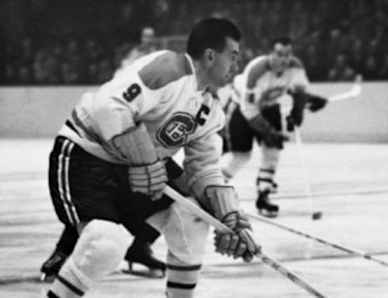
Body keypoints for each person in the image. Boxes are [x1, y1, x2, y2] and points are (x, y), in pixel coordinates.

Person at [44, 18, 260, 298]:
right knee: (105, 244)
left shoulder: (210, 108)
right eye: (233, 56)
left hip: (136, 168)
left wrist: (228, 216)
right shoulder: (169, 68)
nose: (236, 66)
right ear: (210, 55)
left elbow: (204, 169)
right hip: (86, 157)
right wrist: (144, 159)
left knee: (194, 215)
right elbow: (107, 105)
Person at [41, 27, 167, 282]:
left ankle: (139, 245)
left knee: (167, 190)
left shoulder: (159, 62)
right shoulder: (137, 58)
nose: (149, 40)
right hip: (115, 129)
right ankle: (63, 252)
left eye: (151, 37)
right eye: (145, 37)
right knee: (97, 201)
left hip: (138, 131)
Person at [220, 37, 328, 218]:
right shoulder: (257, 71)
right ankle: (213, 189)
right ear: (271, 54)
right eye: (279, 54)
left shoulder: (296, 67)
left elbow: (299, 92)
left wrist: (298, 110)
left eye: (287, 55)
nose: (283, 60)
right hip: (241, 108)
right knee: (241, 156)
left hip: (270, 107)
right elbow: (250, 110)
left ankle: (264, 195)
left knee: (272, 152)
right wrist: (269, 132)